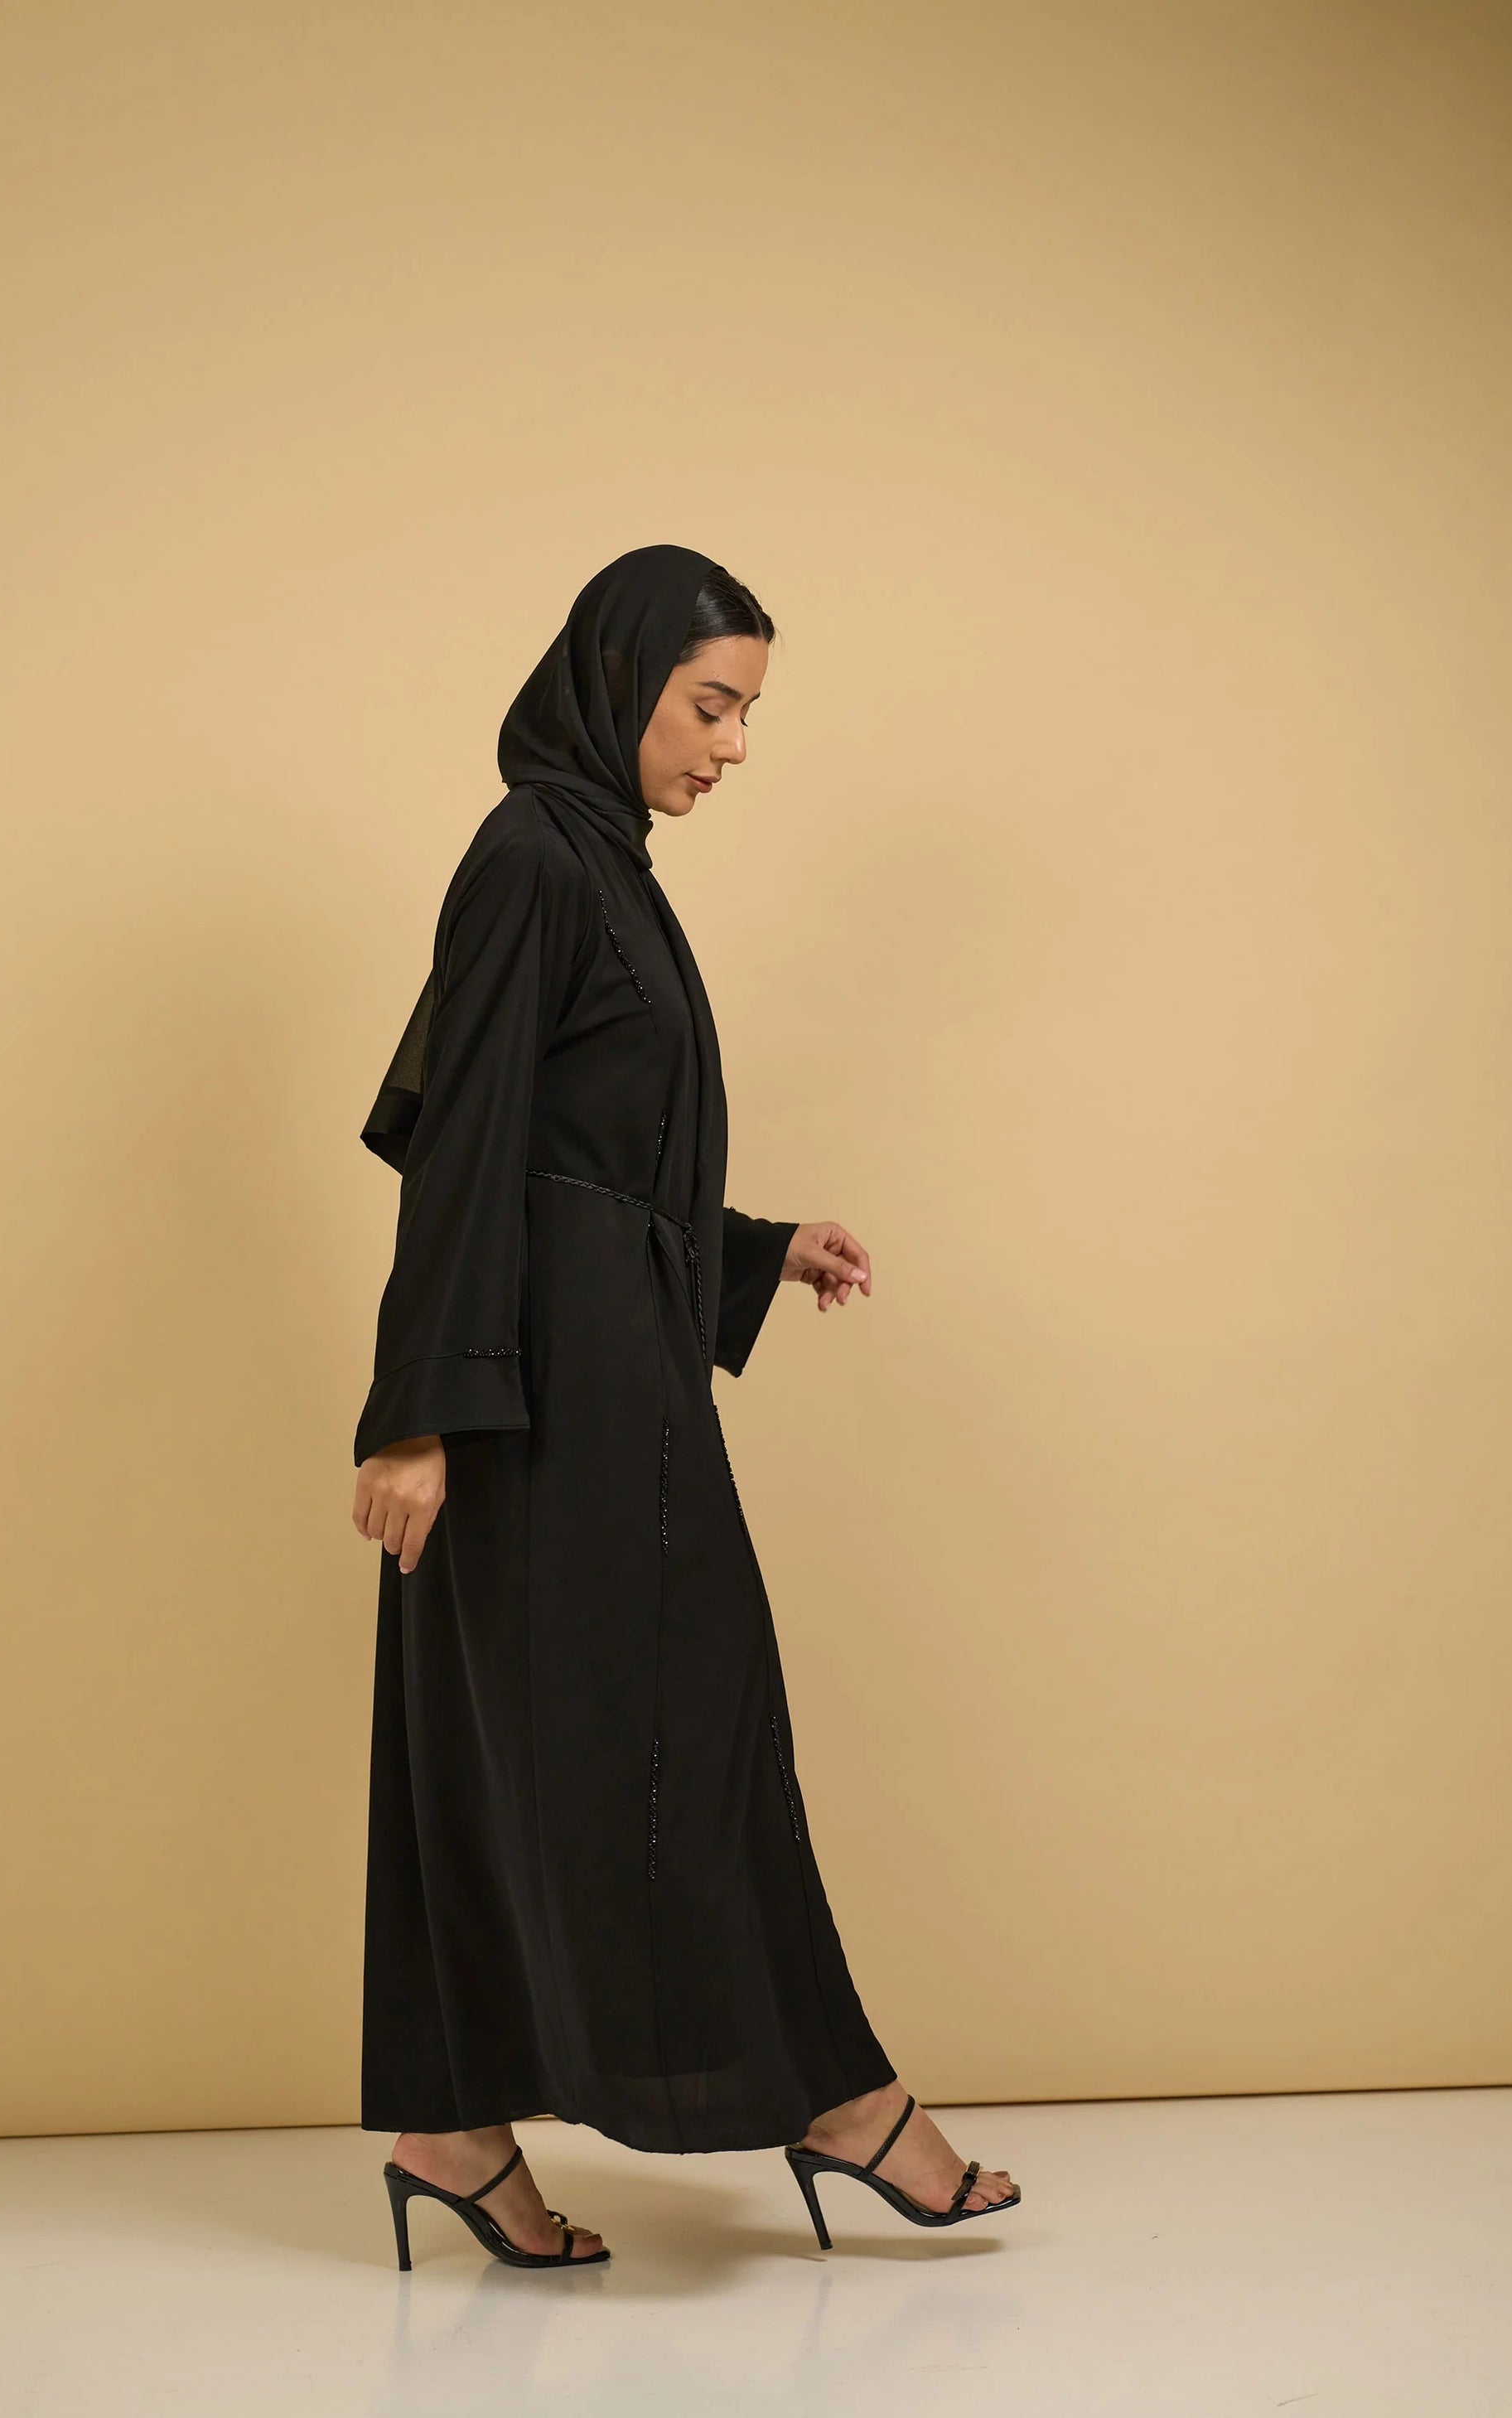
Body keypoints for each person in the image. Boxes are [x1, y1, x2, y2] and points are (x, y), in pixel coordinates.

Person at [350, 544, 1018, 2267]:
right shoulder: (530, 857)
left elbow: (592, 1159)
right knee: (615, 1739)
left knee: (610, 1739)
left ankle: (454, 2129)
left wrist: (753, 1249)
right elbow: (468, 1144)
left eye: (745, 715)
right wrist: (418, 1413)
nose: (729, 747)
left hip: (614, 1382)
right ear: (617, 679)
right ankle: (835, 2101)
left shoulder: (600, 863)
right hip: (538, 1409)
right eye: (708, 706)